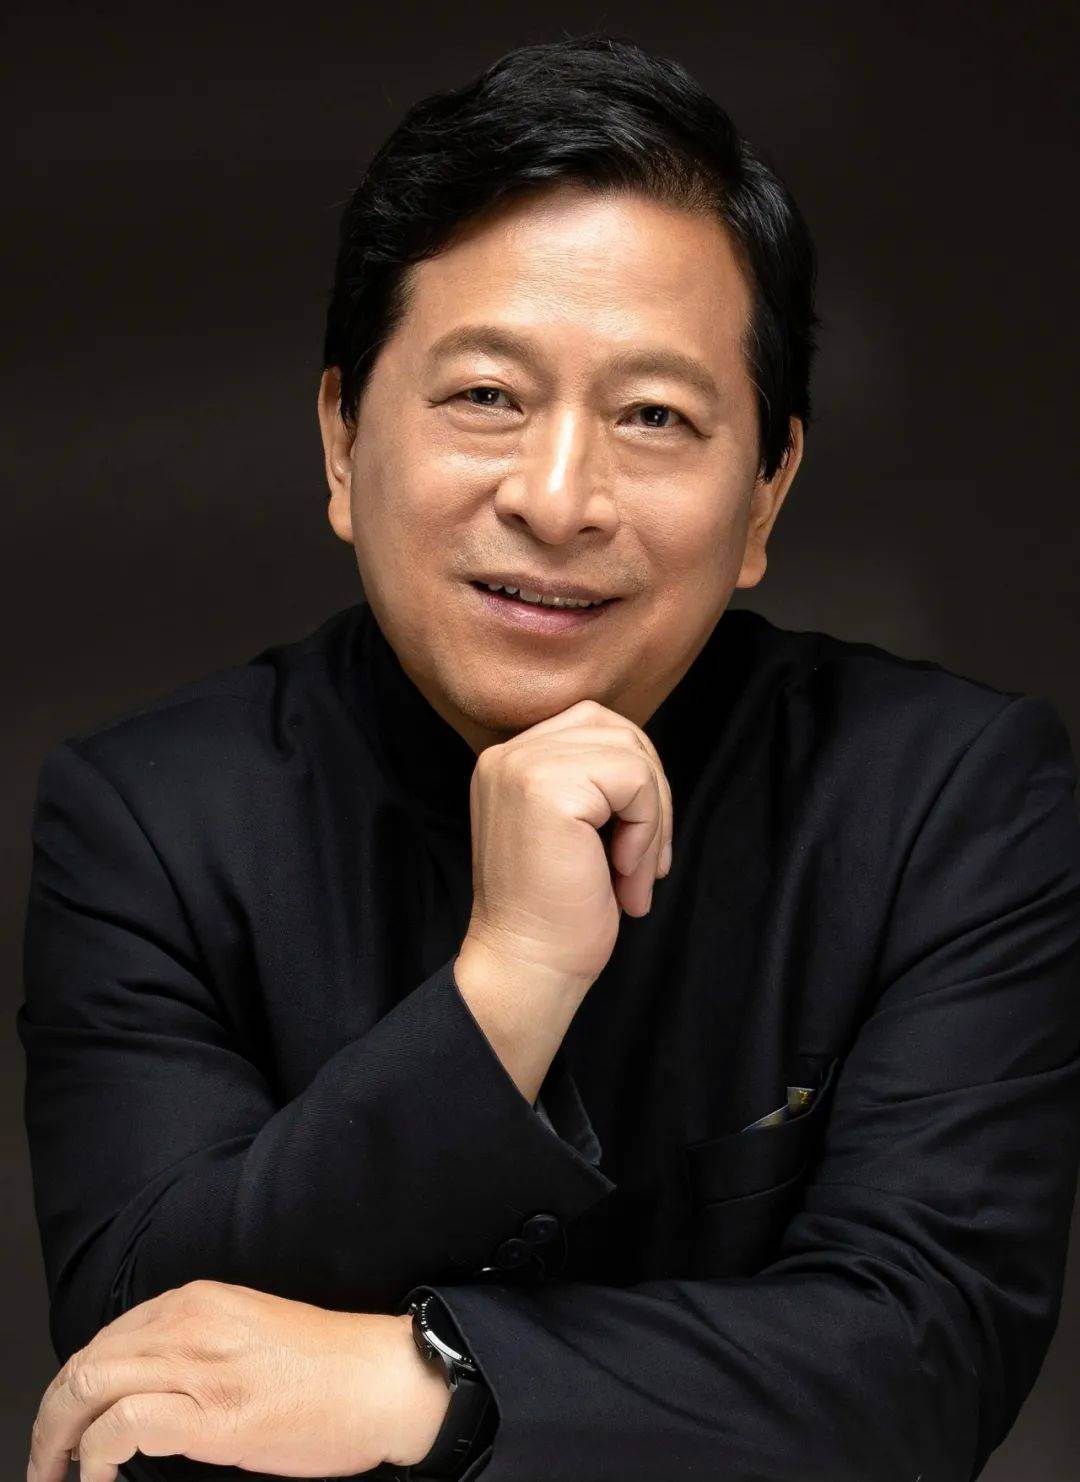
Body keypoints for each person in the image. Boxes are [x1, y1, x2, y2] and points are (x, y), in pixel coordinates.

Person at [18, 31, 1080, 1482]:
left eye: (654, 416)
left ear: (767, 495)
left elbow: (925, 1355)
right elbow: (138, 1369)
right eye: (486, 396)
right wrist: (508, 982)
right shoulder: (147, 820)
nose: (560, 497)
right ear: (342, 442)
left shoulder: (948, 797)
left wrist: (436, 1382)